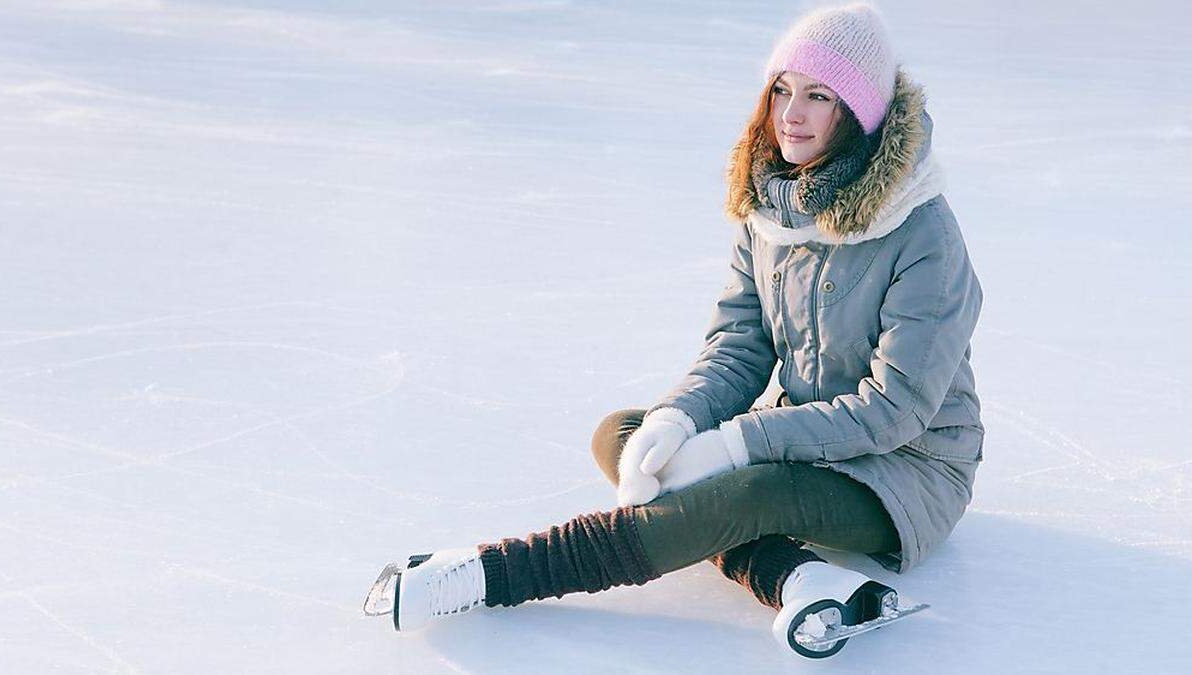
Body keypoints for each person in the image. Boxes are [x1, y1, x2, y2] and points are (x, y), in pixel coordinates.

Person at [365, 3, 984, 659]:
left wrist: (738, 444)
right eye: (782, 90)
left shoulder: (922, 233)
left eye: (819, 96)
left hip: (905, 473)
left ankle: (495, 573)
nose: (790, 115)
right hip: (806, 436)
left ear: (858, 113)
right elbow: (740, 348)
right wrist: (681, 423)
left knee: (749, 491)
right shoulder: (771, 207)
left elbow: (896, 409)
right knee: (627, 435)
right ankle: (799, 576)